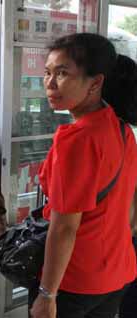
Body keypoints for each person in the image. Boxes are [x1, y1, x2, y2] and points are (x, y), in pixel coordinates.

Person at [29, 33, 137, 318]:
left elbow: (65, 227)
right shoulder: (122, 131)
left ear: (96, 82)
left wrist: (47, 294)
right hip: (116, 271)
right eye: (47, 73)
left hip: (74, 279)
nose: (50, 84)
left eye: (63, 74)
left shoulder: (77, 140)